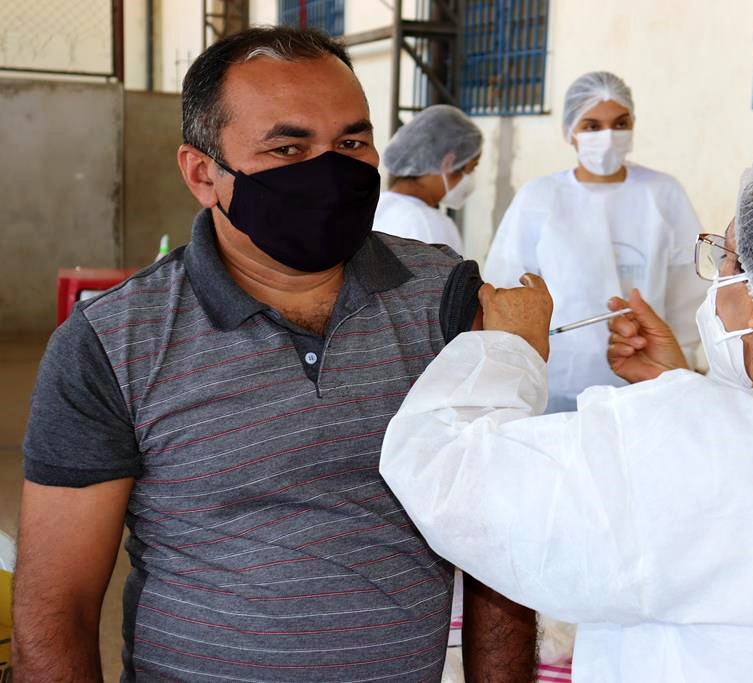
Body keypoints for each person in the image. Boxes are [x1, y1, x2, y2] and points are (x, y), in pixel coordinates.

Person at [14, 27, 535, 682]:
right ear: (203, 173)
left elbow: (501, 549)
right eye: (289, 147)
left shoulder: (446, 300)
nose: (332, 169)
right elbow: (55, 606)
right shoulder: (115, 343)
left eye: (351, 142)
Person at [380, 146, 753, 682]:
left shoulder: (690, 438)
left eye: (725, 259)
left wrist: (508, 349)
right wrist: (684, 384)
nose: (715, 280)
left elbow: (444, 471)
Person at [483, 71, 704, 413]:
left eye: (620, 123)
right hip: (559, 376)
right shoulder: (540, 197)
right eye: (591, 126)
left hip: (647, 374)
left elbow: (686, 288)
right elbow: (508, 286)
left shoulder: (662, 193)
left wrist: (681, 360)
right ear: (570, 132)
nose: (607, 136)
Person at [373, 104, 482, 253]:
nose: (472, 178)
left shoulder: (375, 207)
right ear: (448, 163)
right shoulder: (431, 225)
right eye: (472, 167)